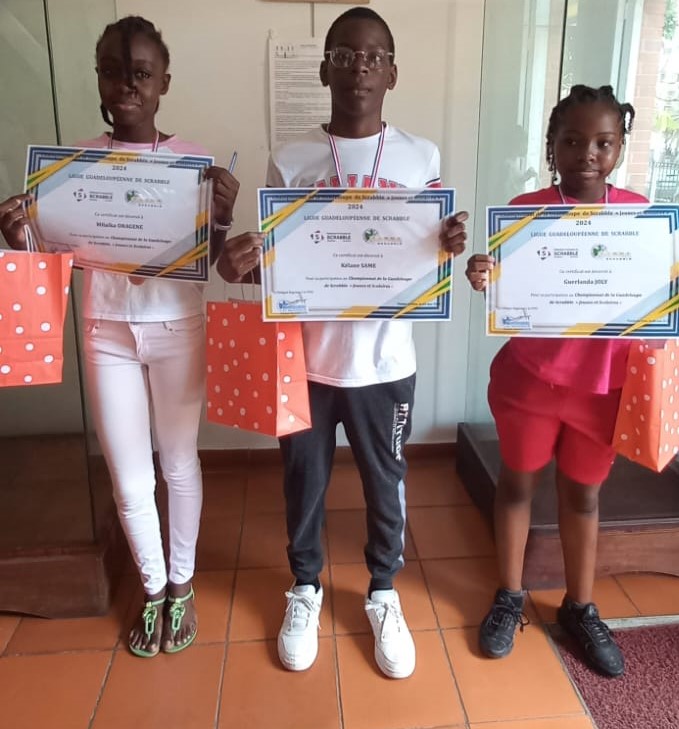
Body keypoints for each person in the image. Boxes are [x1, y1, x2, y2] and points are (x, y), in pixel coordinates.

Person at [219, 6, 467, 679]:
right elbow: (280, 259)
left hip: (385, 360)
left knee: (387, 481)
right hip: (304, 359)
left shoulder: (421, 156)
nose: (359, 67)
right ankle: (305, 587)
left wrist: (448, 243)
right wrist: (244, 261)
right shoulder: (290, 157)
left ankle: (383, 591)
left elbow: (426, 254)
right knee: (303, 481)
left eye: (373, 56)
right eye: (345, 55)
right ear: (324, 68)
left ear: (392, 73)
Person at [0, 16, 248, 658]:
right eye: (112, 71)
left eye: (140, 73)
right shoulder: (73, 167)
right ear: (99, 79)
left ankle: (183, 583)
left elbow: (208, 261)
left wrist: (220, 219)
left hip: (176, 328)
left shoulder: (194, 164)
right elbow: (49, 261)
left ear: (163, 82)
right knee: (129, 475)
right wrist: (20, 236)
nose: (126, 85)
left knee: (178, 461)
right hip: (106, 330)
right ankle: (153, 587)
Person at [466, 84, 679, 678]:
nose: (587, 153)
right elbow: (506, 283)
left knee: (583, 495)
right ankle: (509, 595)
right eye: (573, 141)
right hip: (529, 383)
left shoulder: (642, 216)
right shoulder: (526, 209)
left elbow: (654, 295)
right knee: (517, 486)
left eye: (603, 143)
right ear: (551, 146)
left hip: (603, 389)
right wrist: (485, 273)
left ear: (620, 147)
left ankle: (580, 606)